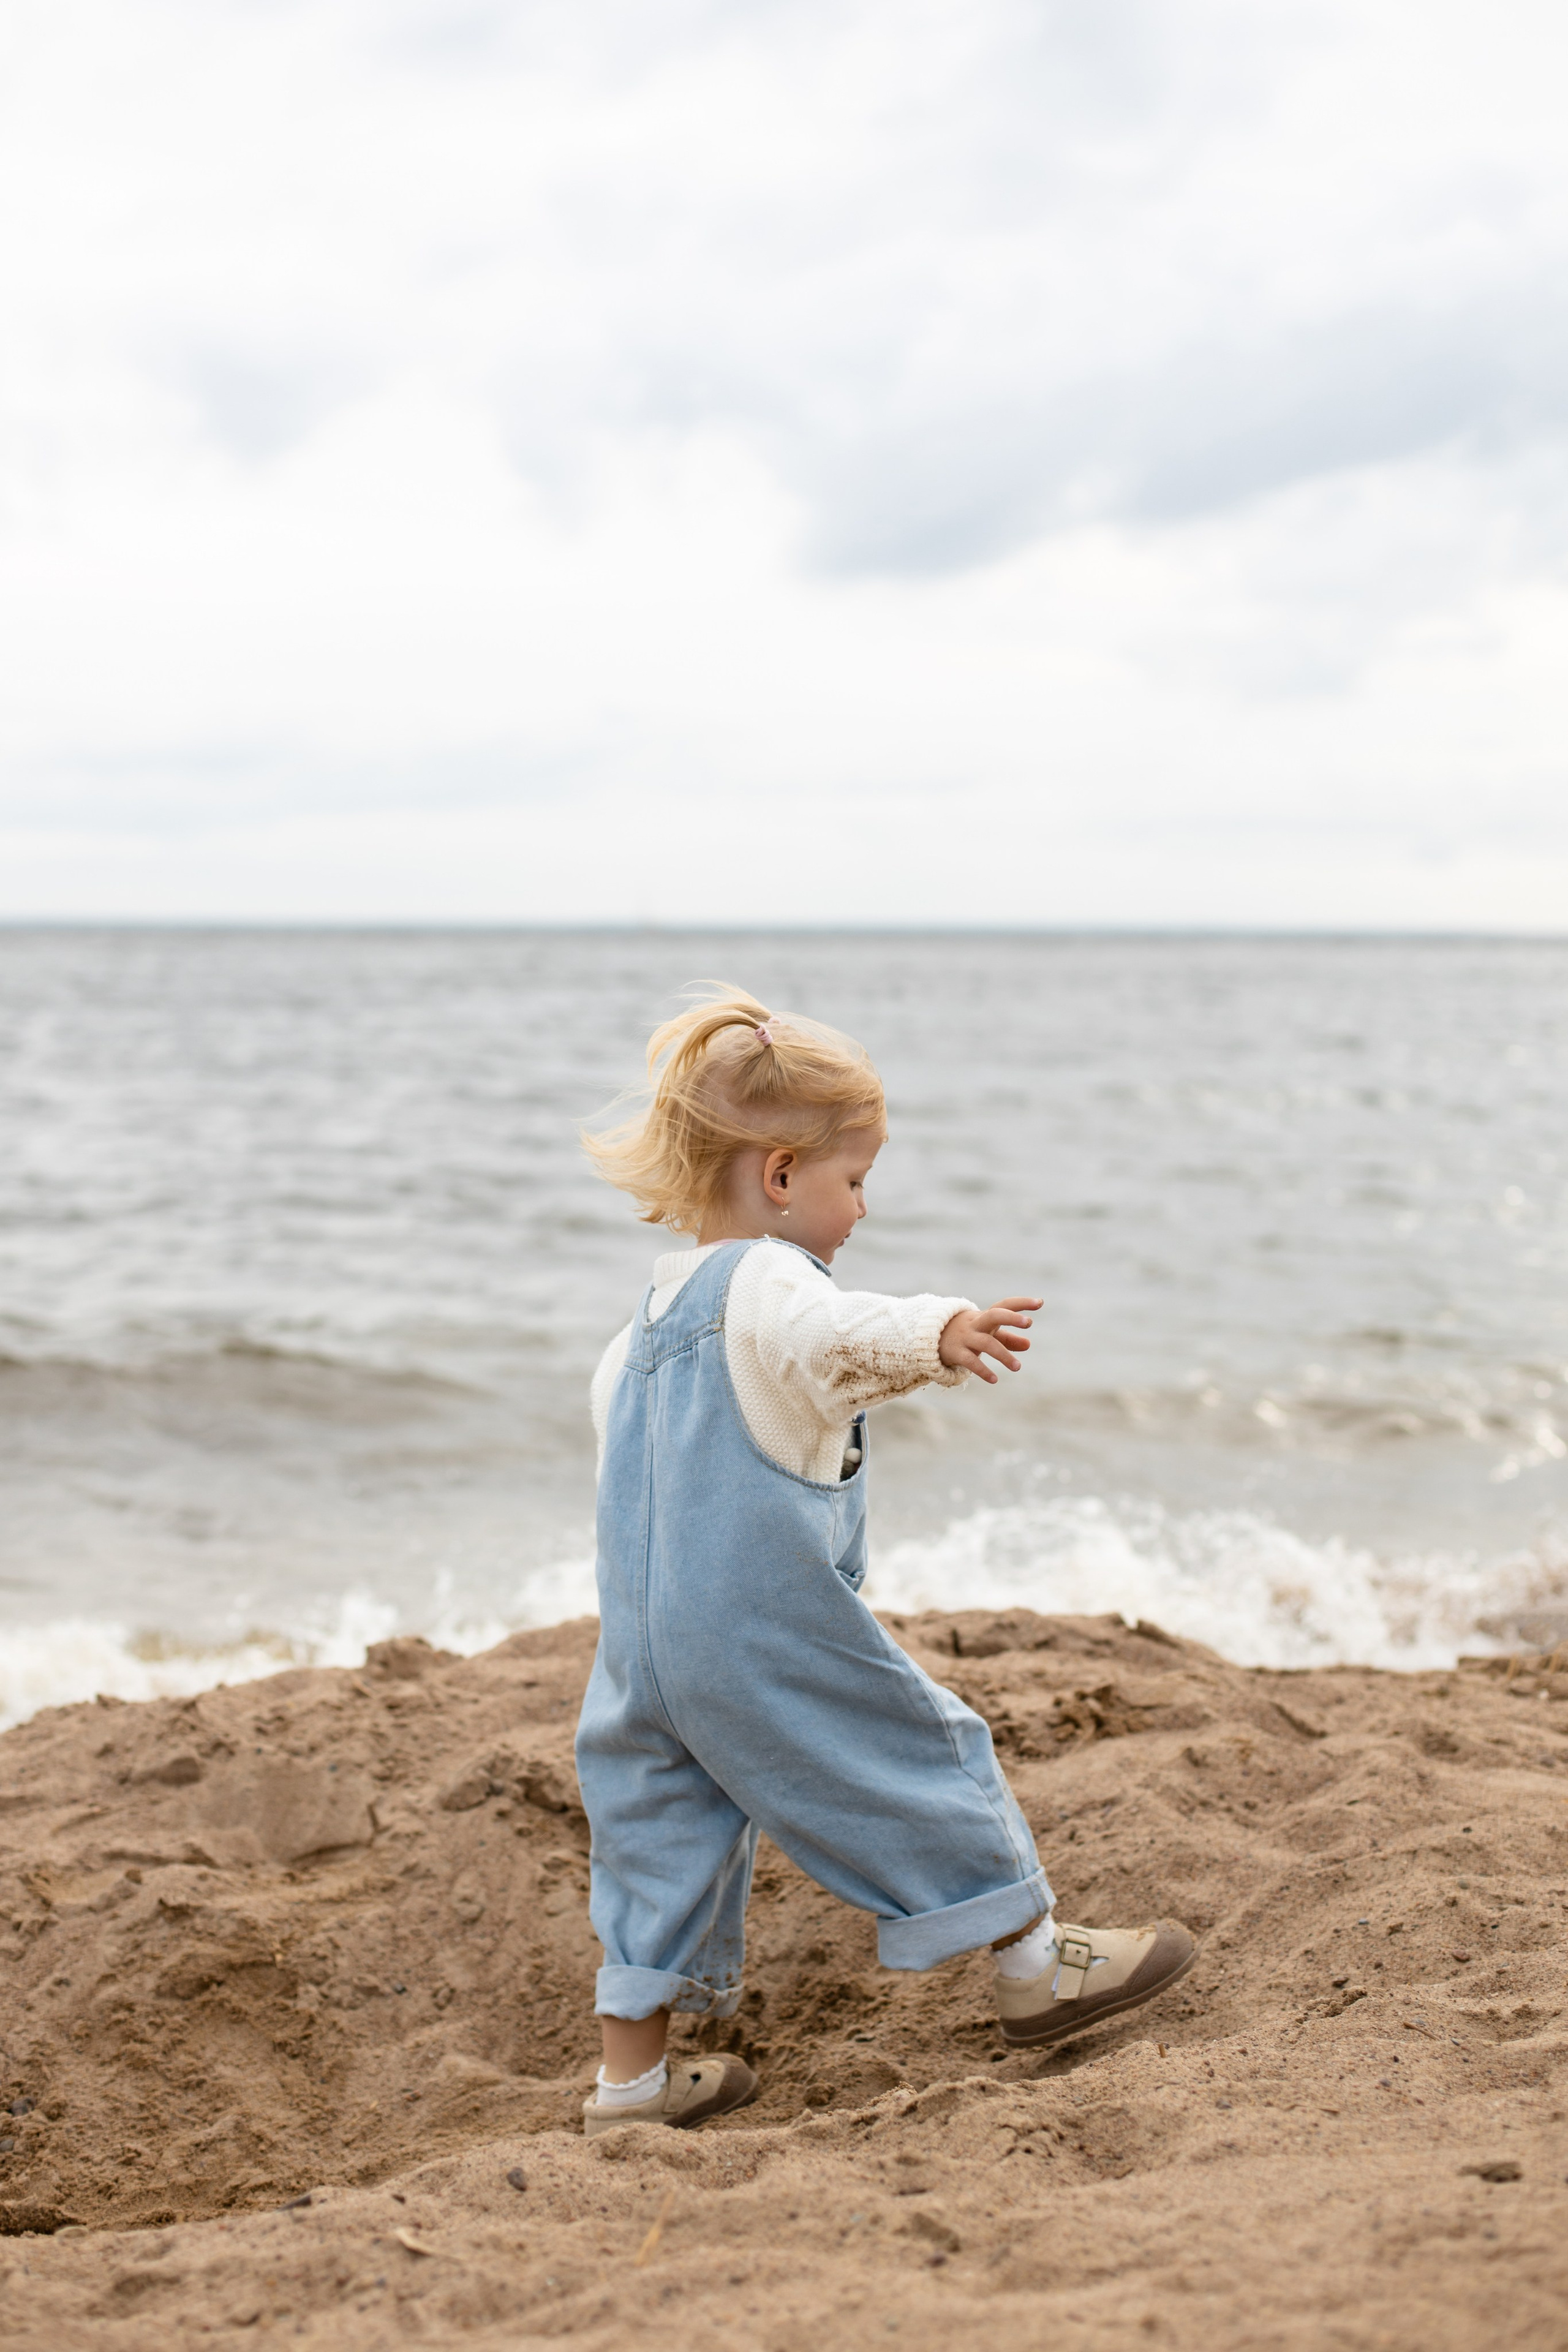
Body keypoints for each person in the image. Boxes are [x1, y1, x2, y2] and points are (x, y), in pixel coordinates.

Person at [575, 986, 1195, 2135]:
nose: (860, 1205)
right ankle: (1029, 1964)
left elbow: (632, 1475)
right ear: (777, 1178)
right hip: (758, 1631)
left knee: (655, 1834)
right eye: (851, 1180)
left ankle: (631, 2085)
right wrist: (941, 1331)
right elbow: (836, 1334)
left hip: (640, 1656)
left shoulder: (639, 1331)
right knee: (922, 1746)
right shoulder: (768, 1285)